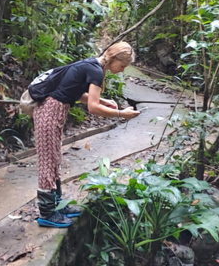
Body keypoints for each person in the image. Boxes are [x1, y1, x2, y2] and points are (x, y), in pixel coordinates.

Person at [32, 41, 141, 228]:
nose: (122, 70)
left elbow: (71, 91)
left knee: (54, 158)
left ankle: (57, 205)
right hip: (49, 112)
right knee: (47, 162)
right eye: (122, 66)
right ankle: (47, 213)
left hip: (53, 111)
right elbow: (92, 107)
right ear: (114, 59)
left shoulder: (91, 65)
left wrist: (104, 101)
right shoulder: (96, 71)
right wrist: (122, 114)